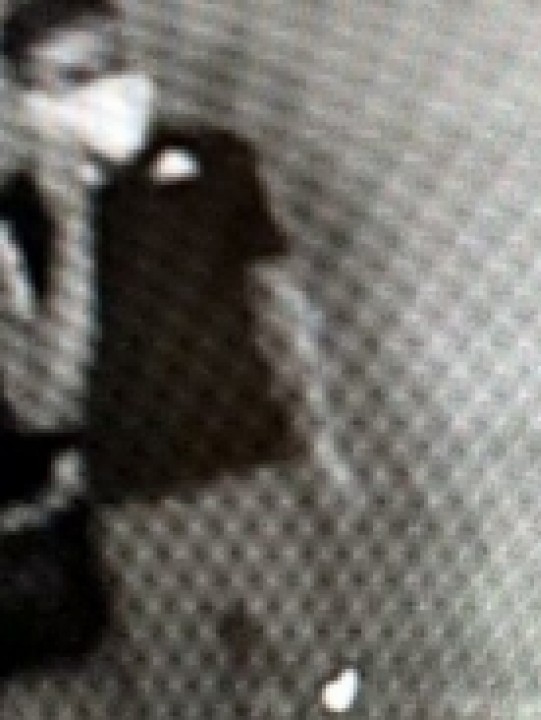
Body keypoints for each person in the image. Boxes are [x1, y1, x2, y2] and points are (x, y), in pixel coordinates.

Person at [0, 0, 318, 677]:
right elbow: (47, 402)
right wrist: (72, 224)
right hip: (135, 499)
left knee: (314, 680)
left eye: (110, 63)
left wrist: (320, 440)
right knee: (183, 688)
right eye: (72, 77)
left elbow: (281, 306)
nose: (102, 87)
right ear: (31, 103)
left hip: (257, 470)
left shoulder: (219, 160)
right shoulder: (17, 216)